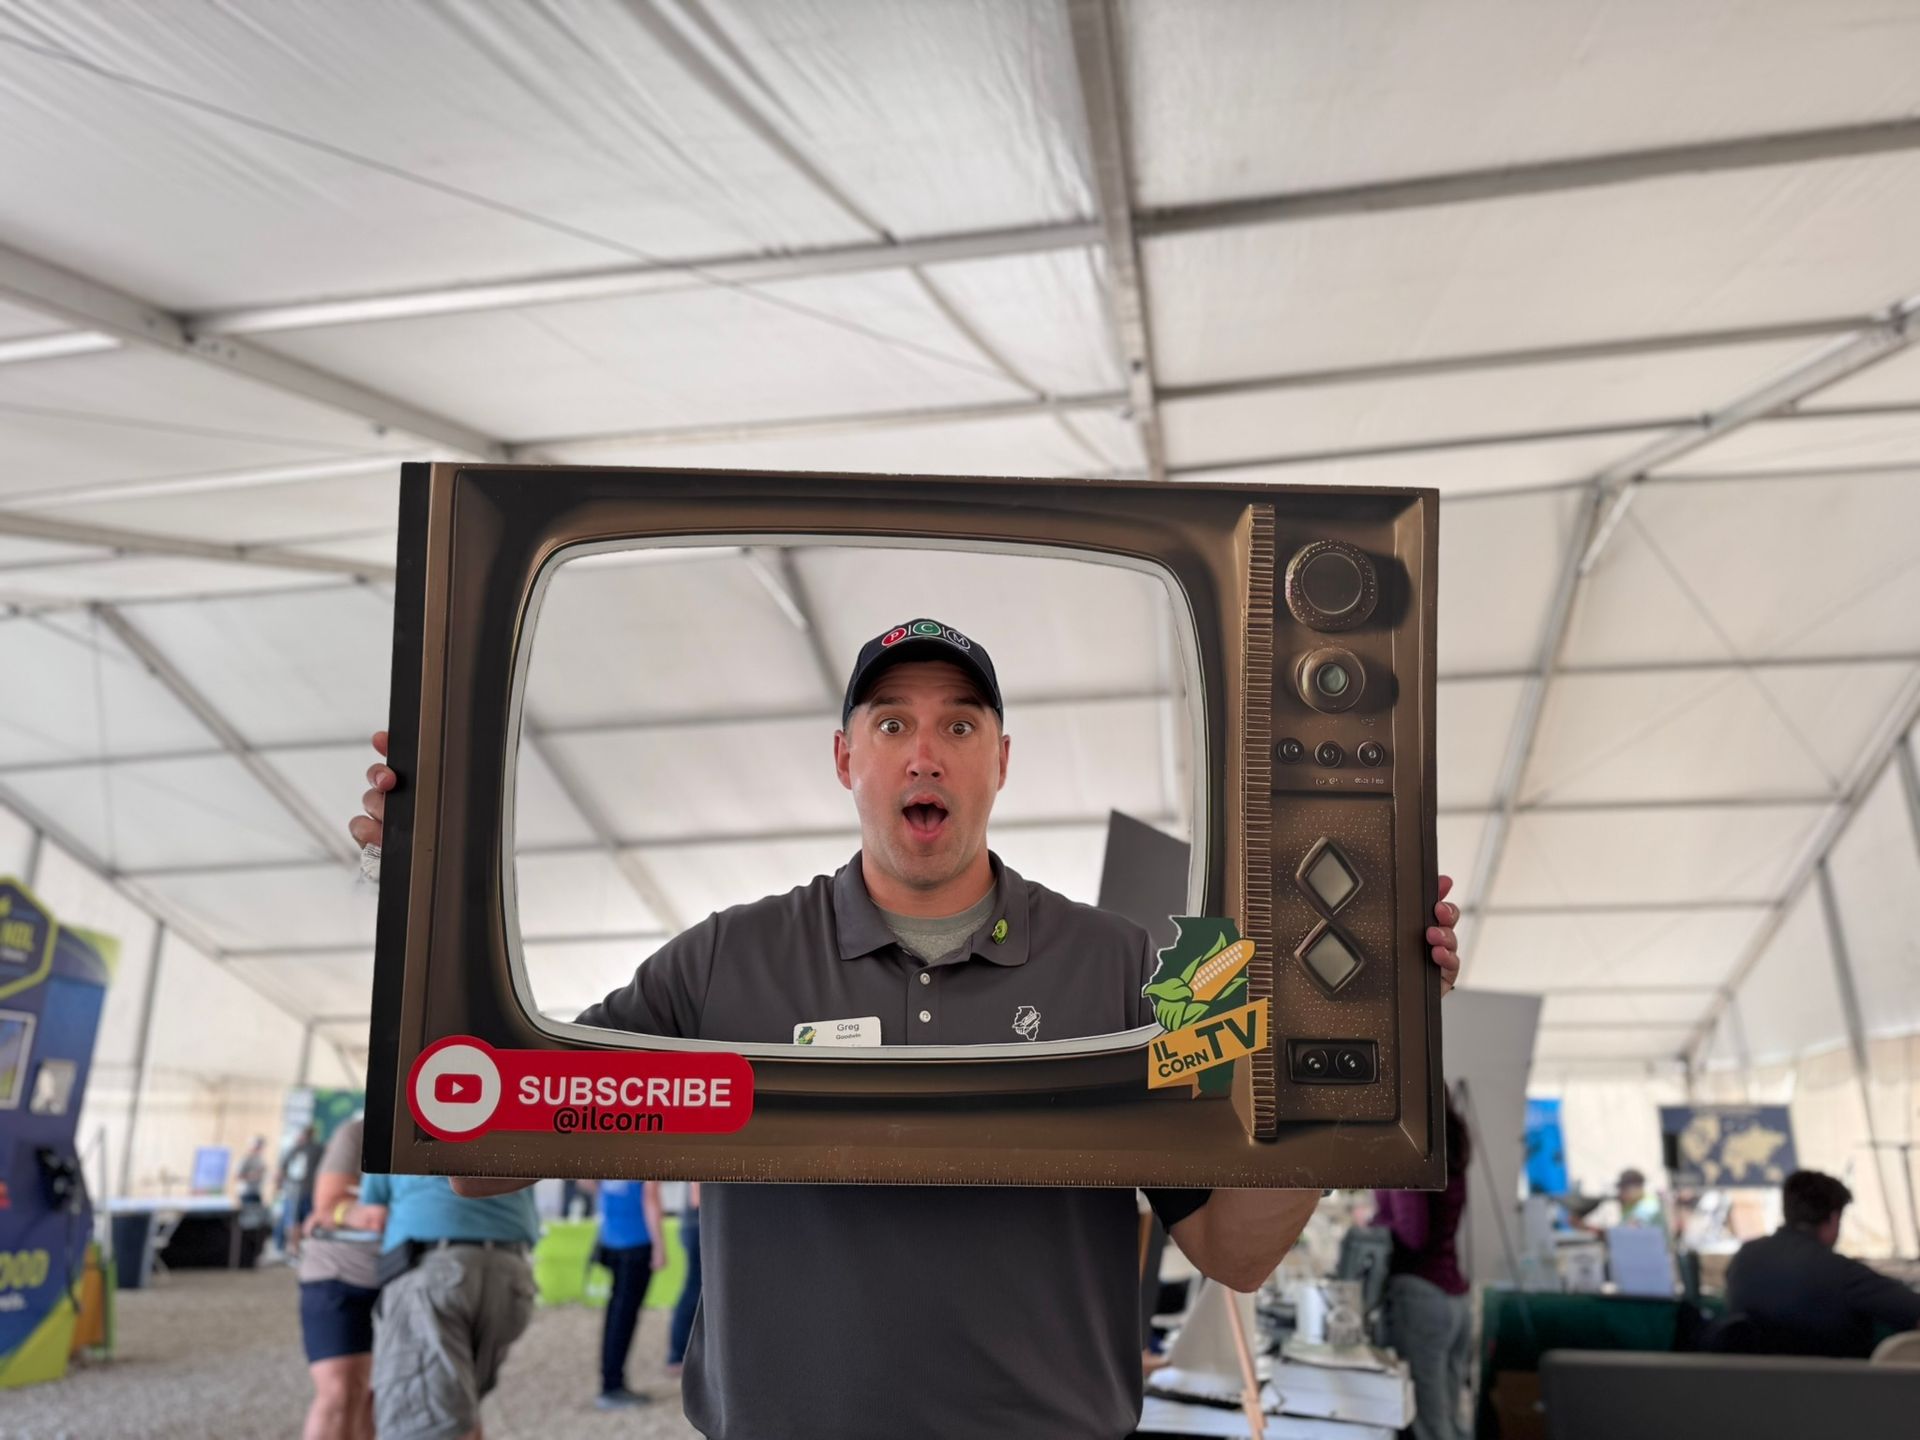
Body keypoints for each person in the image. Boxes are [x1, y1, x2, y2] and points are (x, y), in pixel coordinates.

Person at [350, 618, 1464, 1439]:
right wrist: (417, 900)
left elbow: (1236, 1247)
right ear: (848, 760)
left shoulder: (1156, 967)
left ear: (1000, 761)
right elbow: (491, 1126)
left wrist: (1366, 1027)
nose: (924, 752)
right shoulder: (722, 960)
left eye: (958, 724)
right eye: (893, 724)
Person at [348, 1174, 538, 1440]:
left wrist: (335, 1213)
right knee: (461, 1412)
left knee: (424, 1424)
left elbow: (373, 1214)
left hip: (434, 1271)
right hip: (511, 1273)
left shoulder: (396, 1130)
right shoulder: (512, 1132)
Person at [1725, 1169, 1920, 1357]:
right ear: (1834, 1218)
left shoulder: (1744, 1258)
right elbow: (1912, 1310)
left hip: (1755, 1386)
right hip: (1841, 1387)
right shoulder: (1840, 1273)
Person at [1374, 1095, 1471, 1440]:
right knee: (1452, 1420)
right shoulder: (1448, 1147)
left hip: (1421, 1296)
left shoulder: (1405, 1148)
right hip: (1454, 1298)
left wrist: (1374, 1223)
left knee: (1430, 1426)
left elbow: (1413, 1233)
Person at [297, 1116, 380, 1440]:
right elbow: (327, 1207)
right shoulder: (358, 1134)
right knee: (340, 1392)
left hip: (404, 1279)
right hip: (337, 1274)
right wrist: (356, 1214)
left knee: (377, 1397)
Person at [593, 1178, 666, 1409]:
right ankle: (612, 1385)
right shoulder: (646, 1150)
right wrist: (659, 1245)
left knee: (615, 1314)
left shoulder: (608, 1147)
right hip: (637, 1240)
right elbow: (650, 1196)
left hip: (611, 1239)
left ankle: (611, 1379)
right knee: (624, 1318)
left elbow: (587, 1182)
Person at [666, 1183, 702, 1379]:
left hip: (693, 1224)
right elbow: (697, 1198)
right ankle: (677, 1355)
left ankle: (678, 1354)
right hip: (697, 1224)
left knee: (694, 1289)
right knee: (693, 1290)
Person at [276, 1124, 325, 1257]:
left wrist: (280, 1186)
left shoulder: (306, 1149)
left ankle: (294, 1248)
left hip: (301, 1191)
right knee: (297, 1220)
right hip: (303, 1191)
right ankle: (294, 1248)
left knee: (296, 1220)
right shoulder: (314, 1149)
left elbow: (281, 1172)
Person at [237, 1135, 269, 1205]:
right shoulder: (246, 1159)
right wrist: (252, 1175)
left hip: (257, 1191)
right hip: (247, 1192)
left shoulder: (260, 1160)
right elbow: (238, 1176)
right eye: (258, 1146)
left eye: (261, 1147)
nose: (259, 1149)